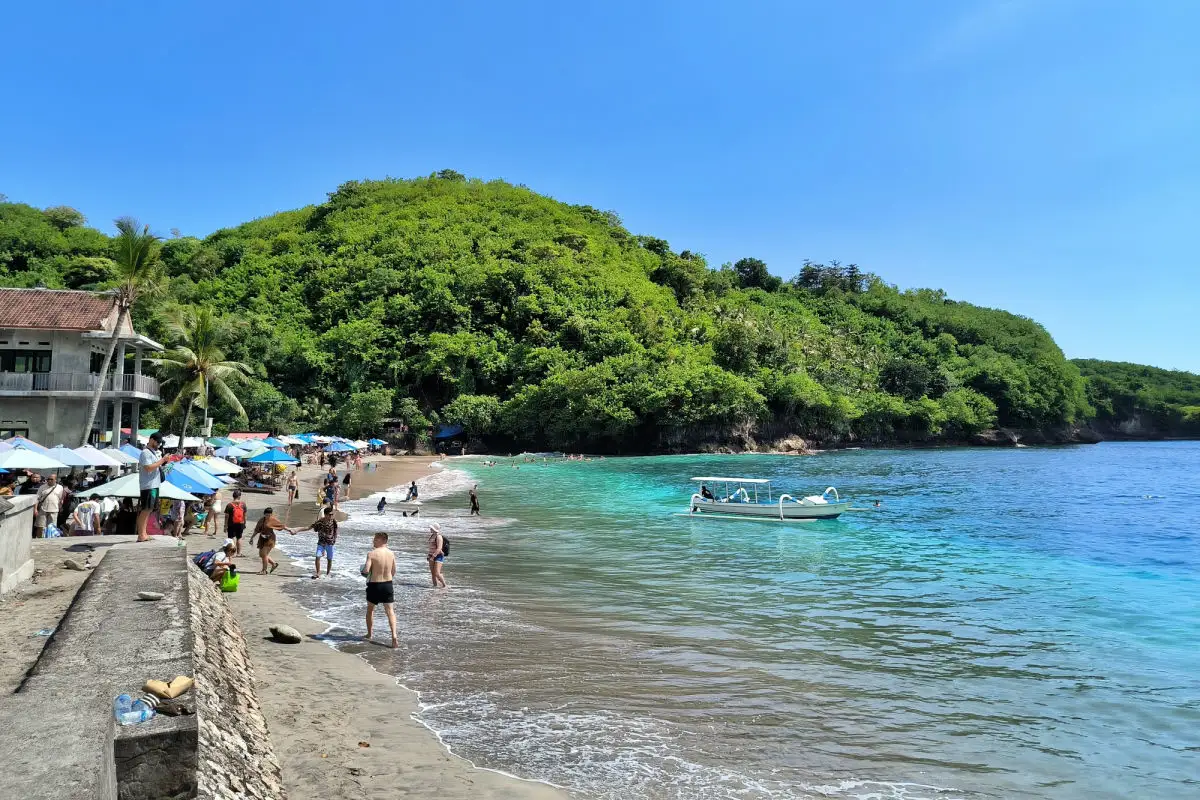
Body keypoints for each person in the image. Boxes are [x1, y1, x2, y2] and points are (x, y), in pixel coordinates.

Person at [361, 531, 398, 648]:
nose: (373, 541)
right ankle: (394, 636)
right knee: (390, 611)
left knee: (370, 610)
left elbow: (366, 570)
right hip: (388, 584)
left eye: (375, 539)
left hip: (374, 585)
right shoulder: (391, 553)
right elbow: (394, 571)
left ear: (383, 540)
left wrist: (363, 570)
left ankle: (369, 634)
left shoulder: (371, 554)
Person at [137, 432, 175, 542]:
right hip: (148, 485)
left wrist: (164, 462)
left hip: (154, 484)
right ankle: (141, 534)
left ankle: (144, 533)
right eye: (157, 442)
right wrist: (162, 460)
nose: (159, 444)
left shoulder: (154, 453)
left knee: (149, 510)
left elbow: (155, 466)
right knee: (145, 510)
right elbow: (148, 468)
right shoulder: (145, 453)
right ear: (151, 440)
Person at [298, 506, 338, 579]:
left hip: (330, 543)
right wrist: (297, 530)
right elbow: (311, 528)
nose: (331, 516)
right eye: (330, 514)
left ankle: (328, 573)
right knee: (317, 556)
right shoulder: (320, 521)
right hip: (321, 542)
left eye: (332, 514)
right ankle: (318, 573)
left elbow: (335, 531)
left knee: (329, 559)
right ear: (325, 514)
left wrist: (334, 539)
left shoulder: (334, 521)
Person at [251, 507, 293, 575]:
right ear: (264, 514)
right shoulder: (261, 520)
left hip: (270, 539)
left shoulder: (273, 520)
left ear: (271, 514)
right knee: (261, 555)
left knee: (264, 555)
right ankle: (274, 564)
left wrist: (290, 530)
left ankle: (264, 570)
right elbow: (256, 530)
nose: (268, 516)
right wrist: (252, 538)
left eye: (269, 515)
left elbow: (282, 526)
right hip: (262, 538)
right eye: (266, 515)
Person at [34, 473, 65, 538]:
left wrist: (60, 507)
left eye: (51, 479)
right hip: (42, 509)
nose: (49, 480)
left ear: (55, 480)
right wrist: (35, 509)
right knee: (40, 527)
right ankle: (39, 540)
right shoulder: (42, 487)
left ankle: (50, 540)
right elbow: (37, 498)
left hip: (54, 510)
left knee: (52, 528)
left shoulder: (60, 487)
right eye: (48, 479)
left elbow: (61, 499)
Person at [223, 489, 248, 557]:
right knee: (239, 538)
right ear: (239, 496)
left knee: (231, 538)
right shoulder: (243, 504)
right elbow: (245, 515)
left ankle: (232, 553)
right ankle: (238, 553)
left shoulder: (229, 505)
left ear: (233, 496)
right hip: (240, 523)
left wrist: (225, 526)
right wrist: (244, 523)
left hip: (231, 524)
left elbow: (226, 516)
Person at [426, 522, 448, 589]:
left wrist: (433, 557)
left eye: (431, 528)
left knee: (437, 573)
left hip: (438, 556)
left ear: (434, 529)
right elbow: (431, 547)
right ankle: (435, 587)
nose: (430, 529)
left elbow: (439, 548)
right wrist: (429, 555)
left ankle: (444, 586)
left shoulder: (439, 536)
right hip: (431, 555)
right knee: (433, 574)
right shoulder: (432, 536)